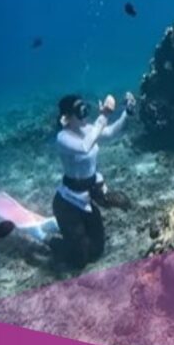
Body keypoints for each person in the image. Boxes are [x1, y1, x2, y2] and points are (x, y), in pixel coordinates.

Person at [49, 91, 135, 269]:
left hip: (87, 195)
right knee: (79, 260)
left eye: (85, 109)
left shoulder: (86, 129)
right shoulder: (62, 137)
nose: (85, 114)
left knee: (97, 251)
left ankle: (66, 233)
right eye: (79, 111)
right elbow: (84, 147)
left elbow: (110, 133)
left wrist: (127, 112)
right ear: (66, 118)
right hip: (68, 202)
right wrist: (104, 115)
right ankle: (50, 241)